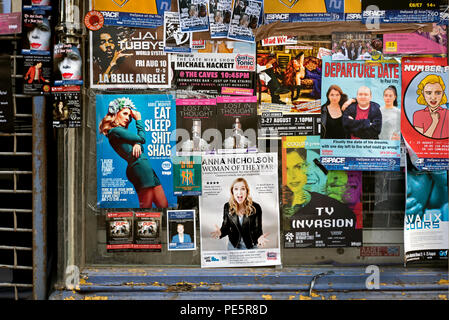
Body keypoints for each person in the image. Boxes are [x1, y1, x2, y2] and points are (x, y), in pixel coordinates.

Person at [99, 97, 168, 208]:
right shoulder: (115, 131)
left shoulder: (121, 132)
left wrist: (137, 143)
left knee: (163, 204)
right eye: (125, 114)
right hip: (139, 167)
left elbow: (139, 142)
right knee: (146, 206)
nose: (128, 118)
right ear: (115, 113)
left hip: (145, 166)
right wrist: (138, 119)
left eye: (130, 116)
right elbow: (142, 138)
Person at [282, 148, 356, 226]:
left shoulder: (340, 210)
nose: (308, 172)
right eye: (301, 166)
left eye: (317, 165)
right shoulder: (288, 207)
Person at [210, 178, 269, 250]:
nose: (239, 192)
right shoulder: (227, 206)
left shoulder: (256, 207)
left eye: (243, 189)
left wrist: (259, 238)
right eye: (236, 189)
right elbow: (226, 227)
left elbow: (257, 229)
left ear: (247, 191)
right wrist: (220, 233)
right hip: (233, 246)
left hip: (251, 246)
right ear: (232, 192)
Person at [412, 74, 448, 139]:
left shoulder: (447, 113)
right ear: (422, 93)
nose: (433, 97)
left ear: (443, 93)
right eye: (428, 93)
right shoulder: (418, 114)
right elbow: (420, 139)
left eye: (438, 93)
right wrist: (434, 122)